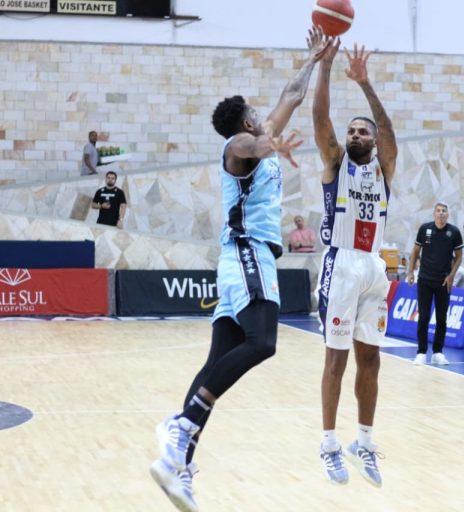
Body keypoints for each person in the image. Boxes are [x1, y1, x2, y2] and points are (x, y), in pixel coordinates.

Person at [148, 29, 330, 511]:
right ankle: (182, 425)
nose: (262, 114)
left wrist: (313, 57)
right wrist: (272, 146)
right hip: (249, 254)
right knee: (263, 342)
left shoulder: (261, 135)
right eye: (255, 111)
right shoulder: (239, 145)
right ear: (246, 120)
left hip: (239, 261)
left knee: (217, 363)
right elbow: (250, 149)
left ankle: (177, 462)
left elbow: (292, 94)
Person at [313, 38, 397, 487]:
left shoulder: (384, 168)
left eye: (363, 132)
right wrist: (326, 67)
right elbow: (320, 119)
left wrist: (366, 84)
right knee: (336, 359)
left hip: (373, 267)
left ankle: (363, 440)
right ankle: (328, 444)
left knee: (372, 360)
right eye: (352, 132)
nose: (356, 135)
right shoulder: (336, 162)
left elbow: (389, 132)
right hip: (341, 264)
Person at [407, 202, 464, 366]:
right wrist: (410, 272)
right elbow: (415, 251)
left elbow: (459, 257)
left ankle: (438, 352)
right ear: (434, 214)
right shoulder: (425, 229)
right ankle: (421, 352)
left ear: (447, 214)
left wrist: (451, 276)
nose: (441, 213)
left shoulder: (454, 232)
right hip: (424, 279)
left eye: (443, 211)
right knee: (424, 317)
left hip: (443, 282)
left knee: (441, 318)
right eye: (438, 211)